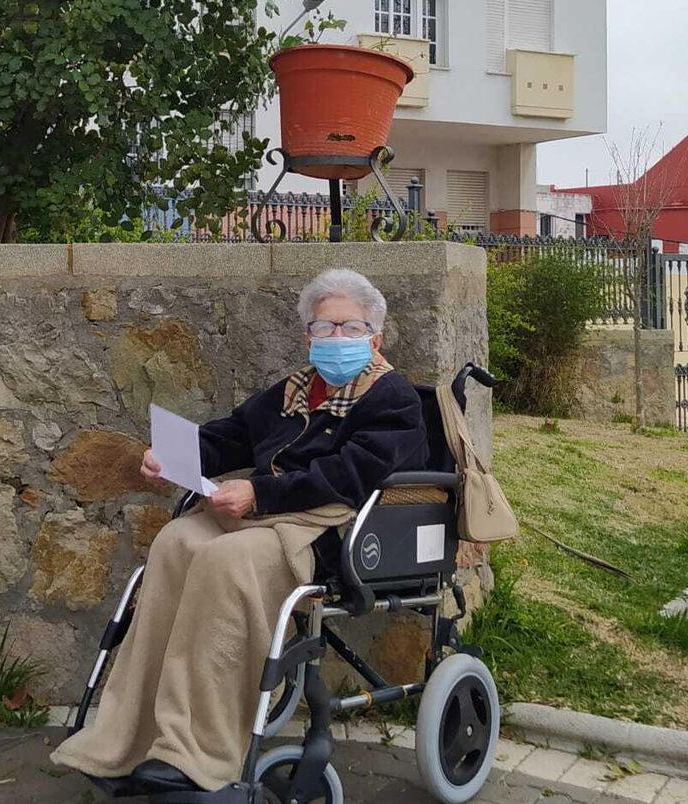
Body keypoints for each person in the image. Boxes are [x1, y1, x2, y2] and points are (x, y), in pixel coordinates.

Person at [51, 267, 429, 793]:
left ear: (375, 337)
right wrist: (172, 456)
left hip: (327, 530)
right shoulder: (290, 390)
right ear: (307, 337)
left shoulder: (395, 401)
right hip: (261, 514)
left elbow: (351, 474)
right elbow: (231, 436)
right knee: (176, 542)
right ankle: (129, 736)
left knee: (222, 562)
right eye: (324, 329)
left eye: (350, 327)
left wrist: (260, 494)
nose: (336, 338)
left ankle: (194, 753)